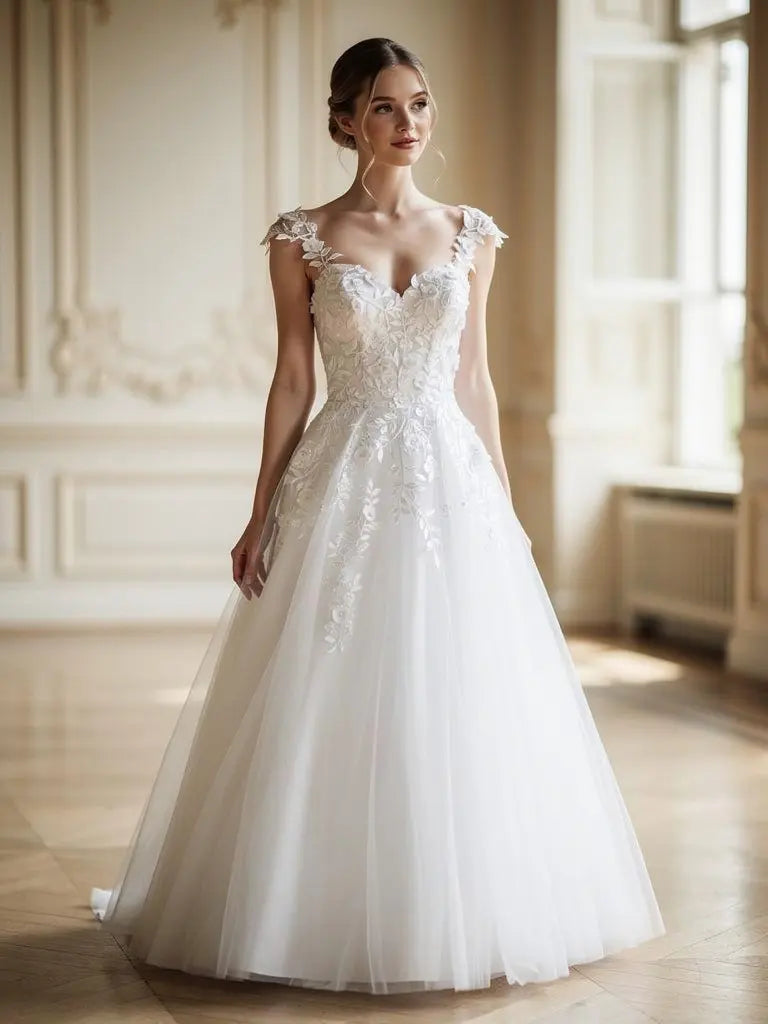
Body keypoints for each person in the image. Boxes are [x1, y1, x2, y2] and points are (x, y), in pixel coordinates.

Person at [90, 37, 665, 995]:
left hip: (449, 478)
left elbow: (473, 379)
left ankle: (464, 900)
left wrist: (505, 505)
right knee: (327, 684)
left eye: (422, 105)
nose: (410, 125)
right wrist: (258, 511)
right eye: (389, 108)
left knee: (457, 688)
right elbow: (290, 380)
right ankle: (298, 904)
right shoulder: (302, 237)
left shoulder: (471, 233)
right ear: (348, 118)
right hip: (342, 471)